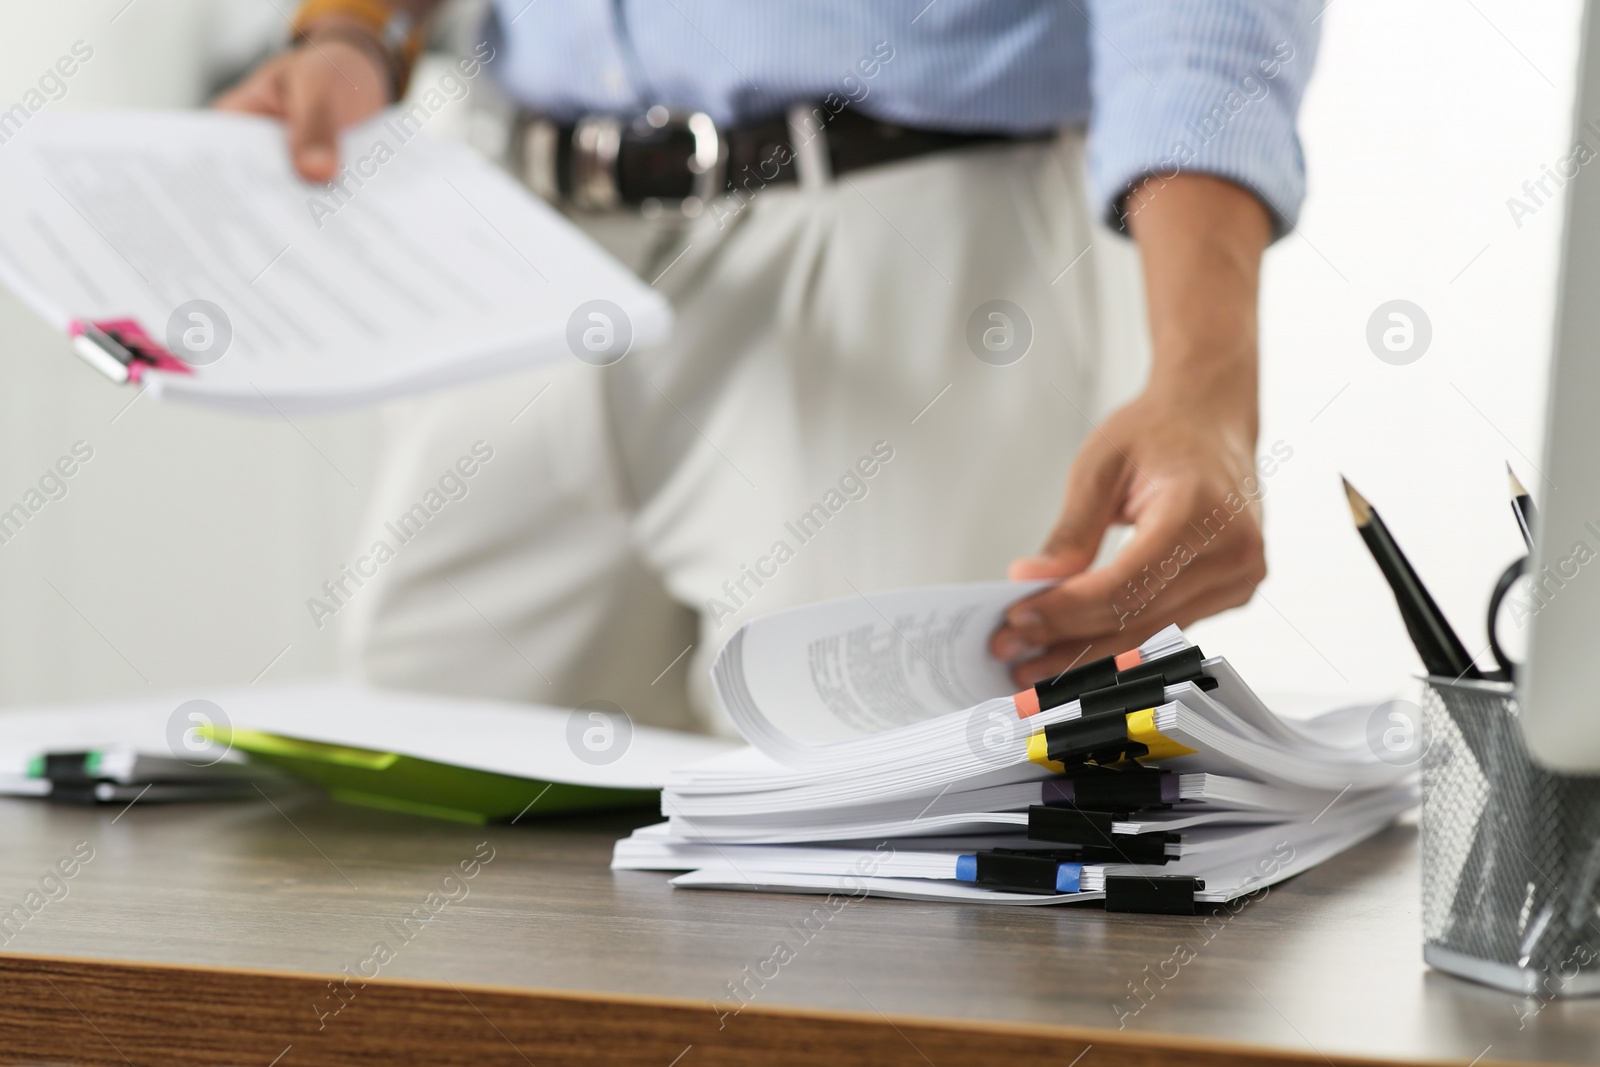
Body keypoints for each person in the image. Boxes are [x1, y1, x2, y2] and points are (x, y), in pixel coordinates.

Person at [221, 1, 1315, 734]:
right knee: (419, 832)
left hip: (903, 233)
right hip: (524, 235)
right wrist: (359, 30)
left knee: (868, 886)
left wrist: (1204, 375)